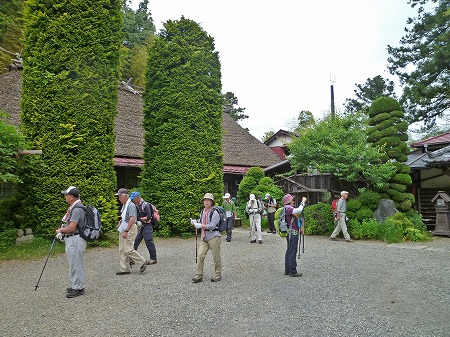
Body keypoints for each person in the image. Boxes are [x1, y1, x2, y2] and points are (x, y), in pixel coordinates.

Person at [57, 186, 87, 298]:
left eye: (66, 194)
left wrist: (60, 230)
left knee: (76, 264)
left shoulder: (77, 209)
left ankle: (78, 288)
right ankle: (76, 285)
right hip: (74, 239)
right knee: (74, 263)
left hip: (75, 239)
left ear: (72, 197)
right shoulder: (74, 208)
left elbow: (71, 228)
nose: (65, 196)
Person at [115, 188, 147, 275]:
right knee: (122, 249)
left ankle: (142, 261)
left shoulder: (130, 205)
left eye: (120, 196)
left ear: (126, 196)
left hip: (130, 228)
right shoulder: (125, 205)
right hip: (125, 227)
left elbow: (132, 219)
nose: (119, 198)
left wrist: (126, 231)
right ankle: (124, 268)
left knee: (128, 249)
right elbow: (126, 217)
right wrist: (120, 222)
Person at [192, 193, 222, 283]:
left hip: (214, 237)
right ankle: (199, 275)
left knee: (216, 257)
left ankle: (218, 275)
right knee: (200, 255)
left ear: (212, 202)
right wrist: (195, 222)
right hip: (204, 237)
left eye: (208, 200)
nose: (206, 202)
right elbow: (201, 221)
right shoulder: (203, 211)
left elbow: (212, 226)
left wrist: (201, 225)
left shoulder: (215, 212)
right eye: (205, 200)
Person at [282, 193, 307, 277]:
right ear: (289, 201)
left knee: (289, 250)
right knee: (292, 251)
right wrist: (303, 202)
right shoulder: (288, 208)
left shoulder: (285, 208)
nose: (293, 201)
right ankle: (292, 271)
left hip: (289, 232)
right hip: (293, 233)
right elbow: (299, 210)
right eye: (292, 200)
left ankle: (287, 269)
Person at [130, 192, 157, 265]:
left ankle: (153, 258)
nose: (132, 200)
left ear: (138, 197)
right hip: (139, 226)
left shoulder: (146, 205)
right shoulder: (136, 205)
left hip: (147, 226)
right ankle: (132, 258)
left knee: (149, 242)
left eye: (133, 199)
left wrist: (141, 219)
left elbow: (149, 216)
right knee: (135, 242)